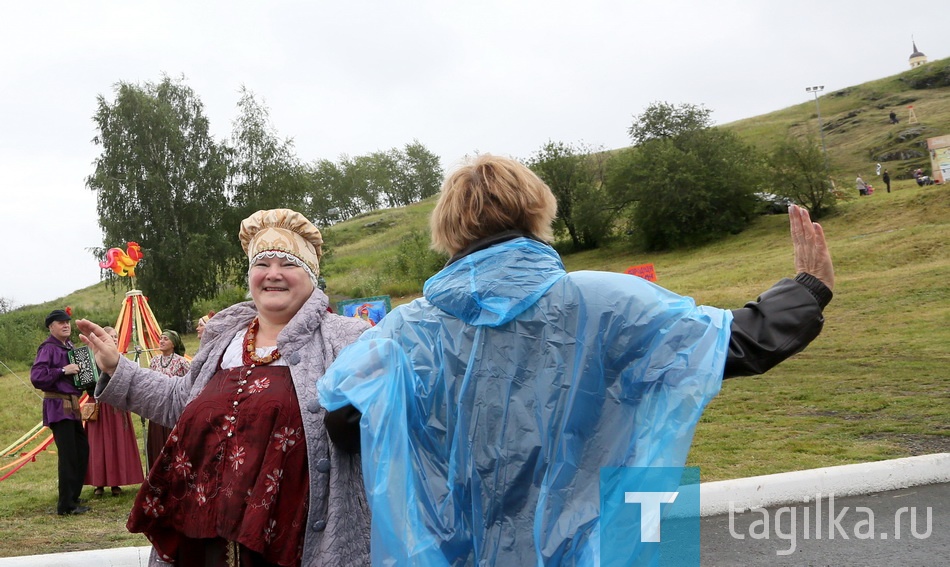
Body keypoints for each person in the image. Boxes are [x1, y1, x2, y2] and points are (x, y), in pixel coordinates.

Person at [316, 154, 835, 565]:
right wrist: (806, 291)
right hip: (592, 545)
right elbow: (735, 345)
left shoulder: (406, 331)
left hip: (457, 550)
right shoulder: (609, 301)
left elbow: (342, 418)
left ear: (448, 231)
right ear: (537, 212)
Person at [77, 208, 372, 567]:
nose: (273, 274)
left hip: (291, 544)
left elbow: (383, 428)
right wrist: (116, 368)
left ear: (311, 275)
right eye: (262, 263)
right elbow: (179, 402)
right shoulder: (226, 339)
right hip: (206, 538)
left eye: (289, 264)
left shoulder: (348, 340)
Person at [30, 309, 91, 515]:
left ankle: (72, 496)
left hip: (72, 407)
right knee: (68, 455)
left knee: (81, 451)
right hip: (58, 407)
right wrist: (63, 370)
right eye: (60, 323)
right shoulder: (48, 348)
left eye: (67, 322)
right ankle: (66, 506)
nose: (66, 325)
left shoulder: (69, 347)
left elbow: (76, 377)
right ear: (51, 327)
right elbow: (37, 377)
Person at [84, 326, 145, 497]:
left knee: (116, 443)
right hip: (98, 406)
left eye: (116, 336)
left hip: (116, 406)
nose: (115, 339)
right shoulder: (92, 360)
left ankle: (115, 482)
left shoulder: (122, 360)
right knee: (98, 445)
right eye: (111, 336)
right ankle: (99, 483)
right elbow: (87, 385)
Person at [144, 329, 190, 470]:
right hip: (157, 406)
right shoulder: (154, 361)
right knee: (157, 439)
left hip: (174, 407)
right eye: (160, 338)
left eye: (165, 339)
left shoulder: (182, 362)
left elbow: (190, 382)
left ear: (173, 344)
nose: (161, 341)